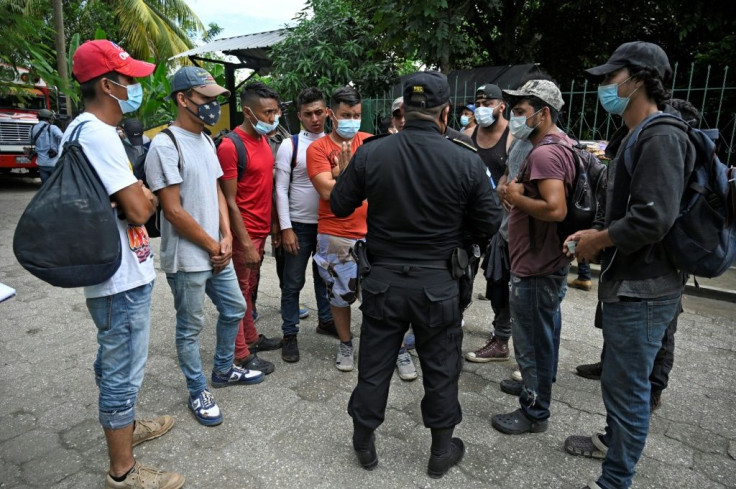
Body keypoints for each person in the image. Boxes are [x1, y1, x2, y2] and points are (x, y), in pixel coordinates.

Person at [331, 71, 502, 478]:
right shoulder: (464, 158)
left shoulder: (372, 152)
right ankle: (441, 452)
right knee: (441, 367)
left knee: (374, 364)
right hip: (438, 284)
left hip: (384, 281)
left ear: (403, 111)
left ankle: (364, 442)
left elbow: (340, 205)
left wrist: (348, 171)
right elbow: (490, 222)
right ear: (445, 113)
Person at [564, 42, 694, 489]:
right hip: (634, 281)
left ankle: (615, 480)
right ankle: (611, 444)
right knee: (622, 385)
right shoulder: (636, 134)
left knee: (628, 389)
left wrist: (599, 240)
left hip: (646, 286)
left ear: (637, 80)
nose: (604, 86)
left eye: (610, 77)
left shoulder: (661, 135)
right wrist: (593, 234)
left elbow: (653, 217)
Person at [63, 39, 183, 489]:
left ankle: (127, 428)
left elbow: (128, 200)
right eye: (128, 78)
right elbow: (138, 209)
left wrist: (136, 194)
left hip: (113, 270)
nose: (134, 85)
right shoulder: (96, 134)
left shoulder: (79, 129)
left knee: (114, 359)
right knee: (121, 369)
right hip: (118, 278)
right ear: (107, 84)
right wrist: (142, 195)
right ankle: (124, 470)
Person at [145, 66, 264, 428]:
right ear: (183, 99)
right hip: (188, 257)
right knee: (189, 328)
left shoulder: (207, 140)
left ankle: (224, 369)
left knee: (234, 308)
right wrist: (215, 243)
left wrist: (226, 236)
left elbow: (216, 191)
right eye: (207, 98)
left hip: (217, 250)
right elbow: (173, 209)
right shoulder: (165, 145)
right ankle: (197, 389)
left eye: (216, 99)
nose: (214, 105)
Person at [491, 79, 575, 435]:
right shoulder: (551, 144)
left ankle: (534, 411)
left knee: (532, 339)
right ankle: (537, 383)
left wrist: (513, 194)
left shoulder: (545, 152)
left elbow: (555, 209)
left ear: (543, 114)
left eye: (522, 111)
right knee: (544, 330)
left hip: (538, 262)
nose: (515, 117)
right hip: (543, 258)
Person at [216, 81, 284, 376]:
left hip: (260, 231)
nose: (273, 118)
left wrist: (274, 227)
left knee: (248, 290)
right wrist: (243, 242)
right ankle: (240, 354)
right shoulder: (231, 146)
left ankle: (252, 338)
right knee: (239, 293)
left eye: (276, 111)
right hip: (245, 233)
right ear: (248, 112)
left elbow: (264, 187)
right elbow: (229, 201)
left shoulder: (264, 141)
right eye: (268, 113)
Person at [306, 86, 372, 372]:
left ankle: (385, 347)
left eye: (356, 115)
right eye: (346, 115)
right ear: (332, 114)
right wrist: (347, 175)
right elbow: (326, 191)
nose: (352, 120)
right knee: (340, 295)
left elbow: (383, 183)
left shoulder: (370, 143)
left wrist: (341, 176)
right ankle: (346, 344)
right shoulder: (317, 148)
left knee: (379, 297)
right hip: (335, 236)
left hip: (373, 235)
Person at [275, 87, 336, 362]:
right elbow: (280, 189)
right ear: (299, 116)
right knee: (292, 284)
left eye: (319, 112)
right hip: (299, 226)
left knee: (325, 280)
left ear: (327, 112)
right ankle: (289, 334)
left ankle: (326, 321)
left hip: (328, 225)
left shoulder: (335, 142)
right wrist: (285, 228)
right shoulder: (292, 145)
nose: (315, 118)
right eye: (308, 113)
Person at [465, 83, 515, 363]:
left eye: (488, 103)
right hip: (469, 222)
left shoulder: (512, 137)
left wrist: (509, 187)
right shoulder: (467, 135)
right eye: (479, 102)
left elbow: (521, 169)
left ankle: (501, 338)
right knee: (462, 274)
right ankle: (451, 324)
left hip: (501, 225)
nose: (482, 108)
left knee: (498, 281)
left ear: (501, 106)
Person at [31, 108, 63, 184]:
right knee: (55, 186)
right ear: (49, 118)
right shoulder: (53, 128)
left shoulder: (32, 128)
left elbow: (32, 141)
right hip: (53, 162)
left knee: (45, 186)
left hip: (41, 163)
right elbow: (62, 137)